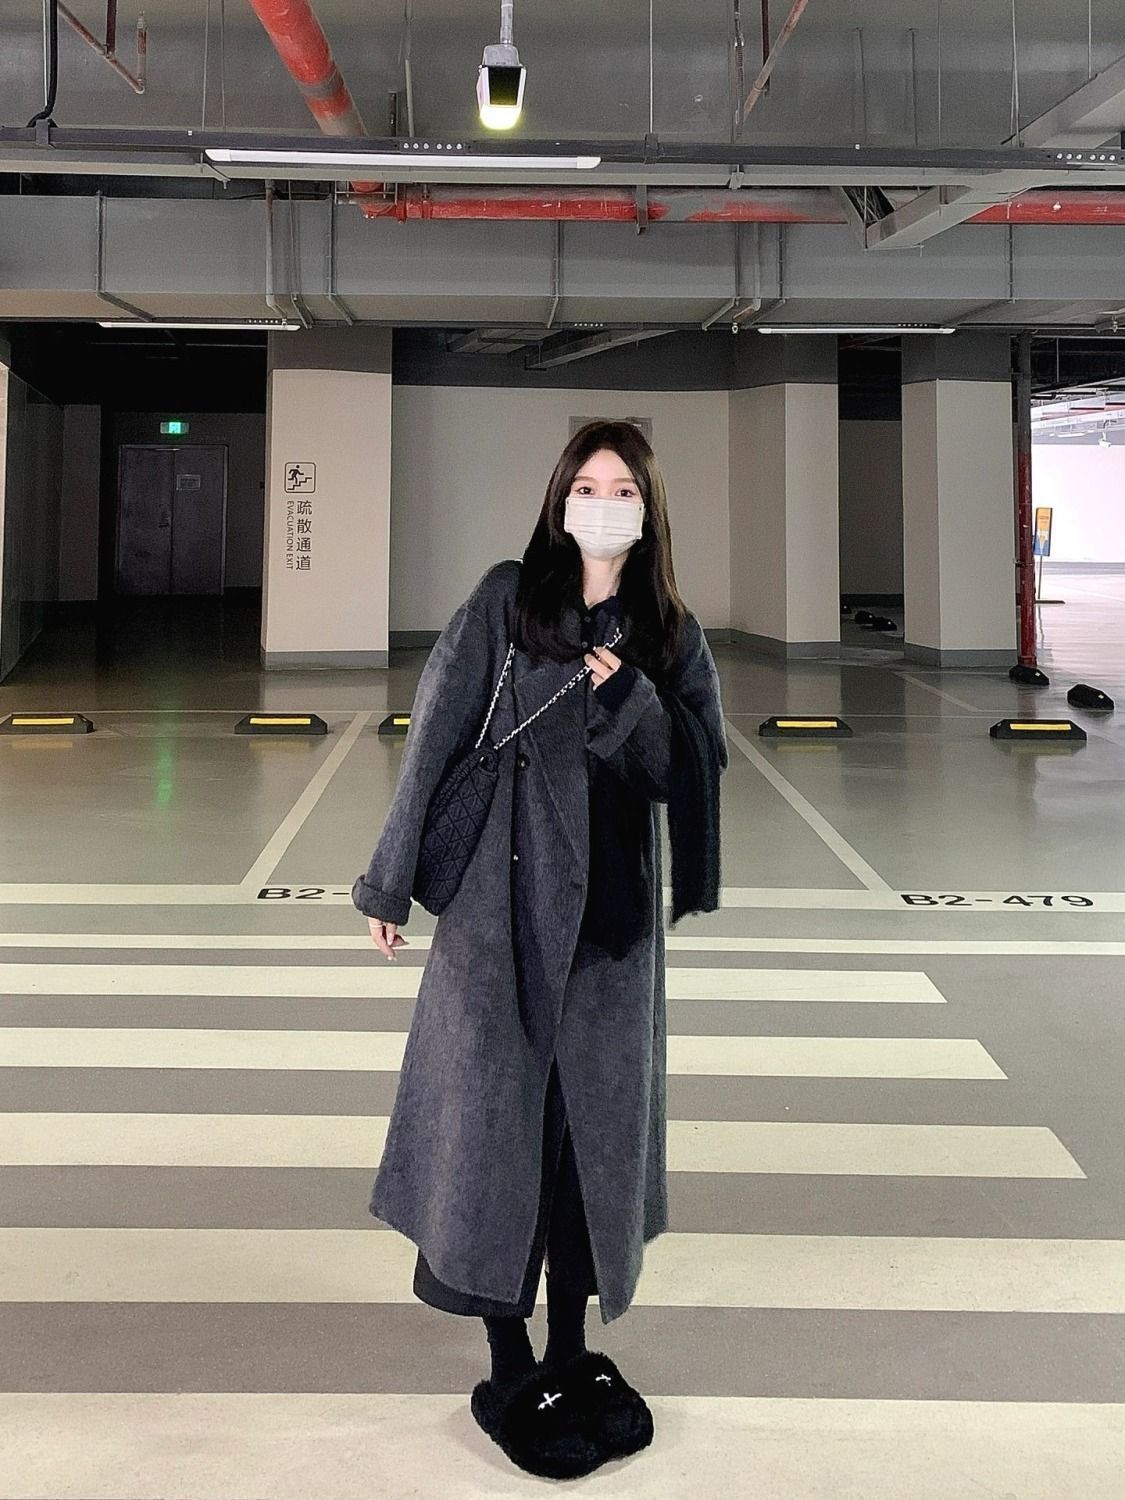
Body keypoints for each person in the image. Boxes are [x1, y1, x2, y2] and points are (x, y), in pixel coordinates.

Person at [353, 419, 727, 1478]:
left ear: (647, 510)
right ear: (560, 501)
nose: (604, 503)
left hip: (610, 934)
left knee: (584, 1148)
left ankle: (569, 1349)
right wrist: (389, 880)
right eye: (587, 486)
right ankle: (508, 1360)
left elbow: (697, 768)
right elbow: (436, 734)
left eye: (623, 489)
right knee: (495, 1140)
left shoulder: (670, 633)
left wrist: (628, 700)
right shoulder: (508, 603)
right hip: (498, 919)